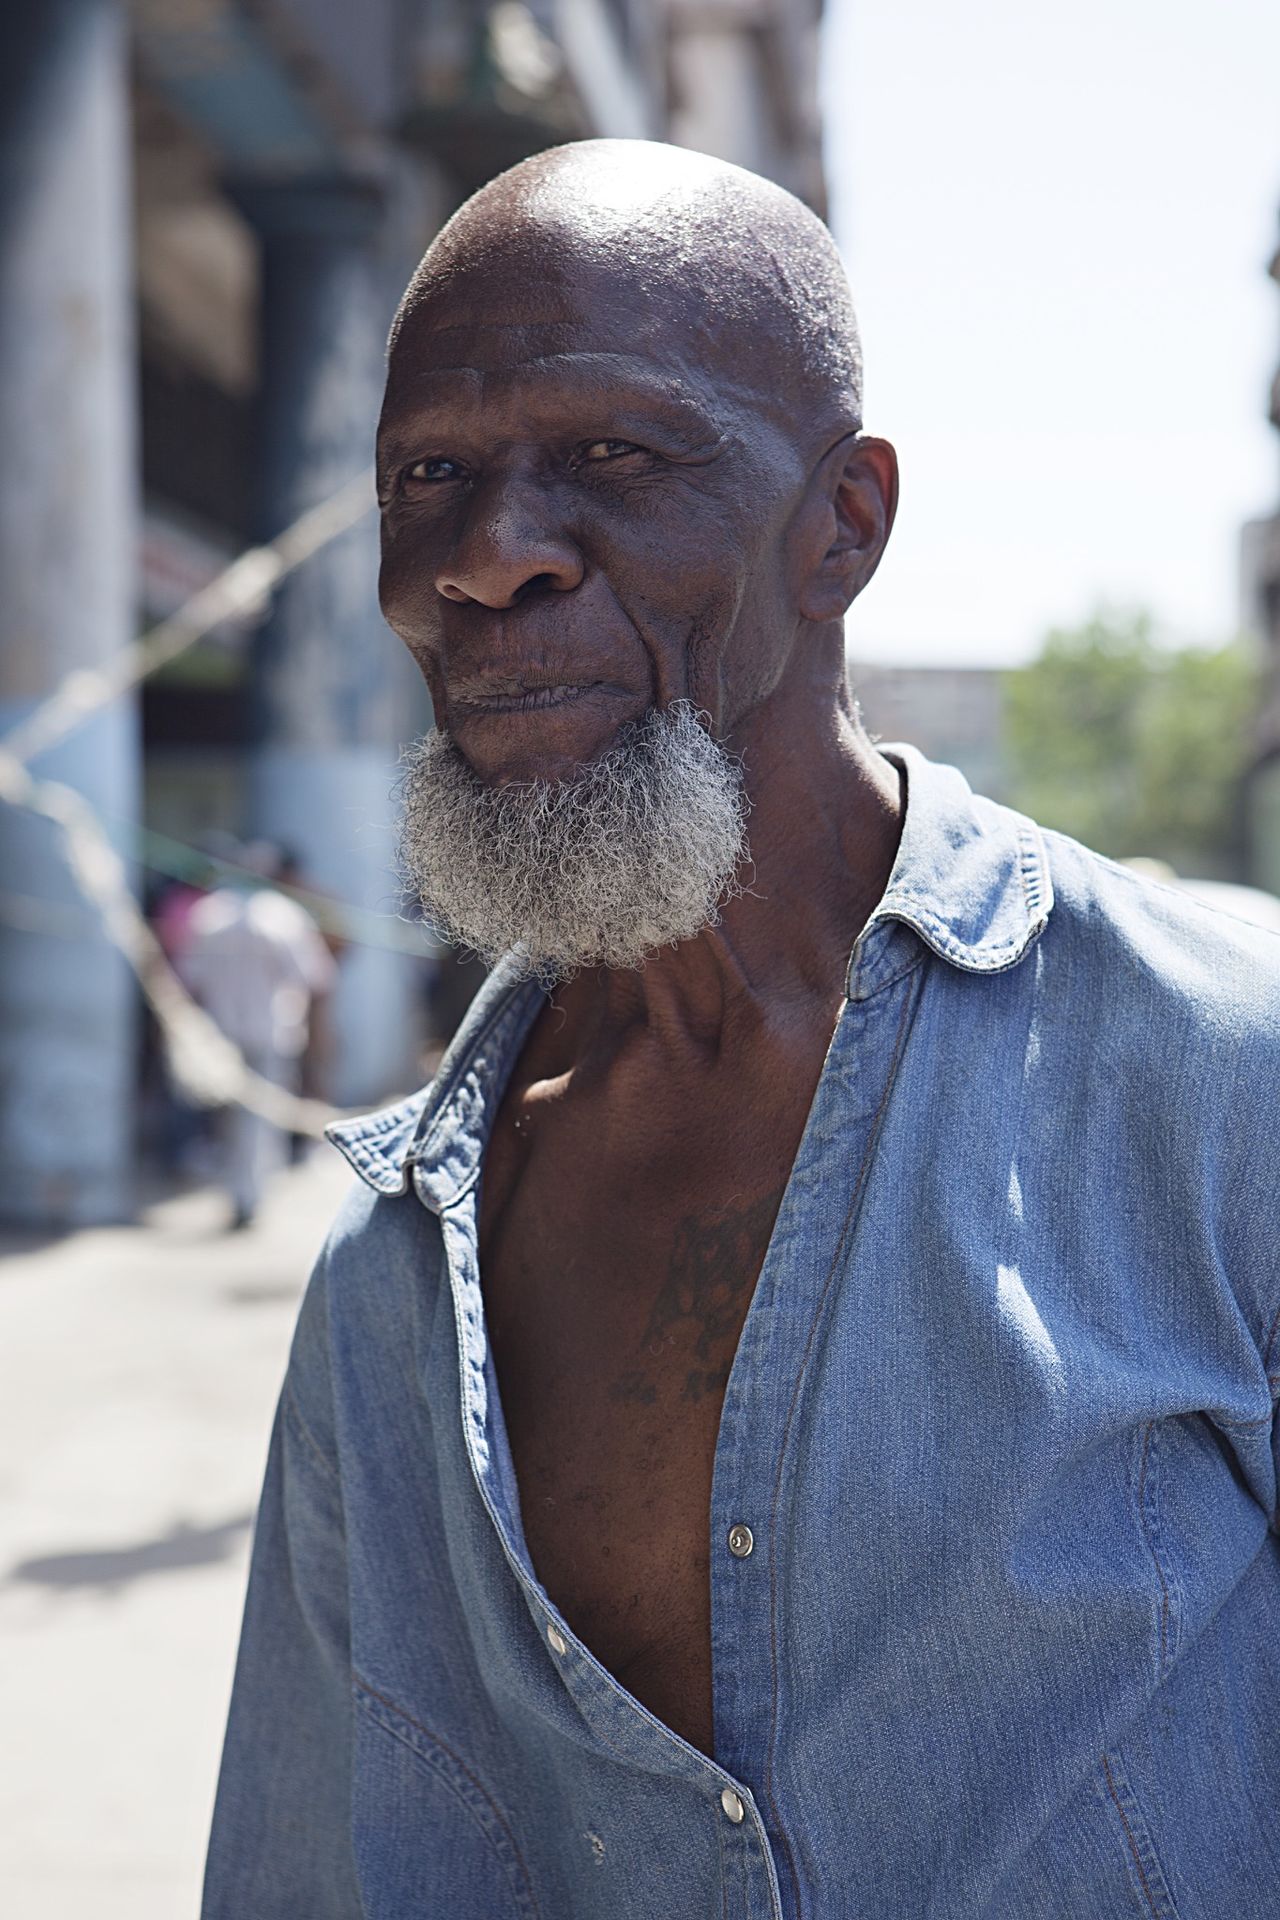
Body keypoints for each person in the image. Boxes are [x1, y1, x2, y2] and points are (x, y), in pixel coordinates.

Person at [203, 142, 1280, 1918]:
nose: (490, 559)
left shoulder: (1219, 1081)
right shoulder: (395, 1280)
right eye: (432, 477)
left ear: (843, 525)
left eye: (613, 457)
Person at [182, 843, 337, 1228]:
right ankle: (249, 1196)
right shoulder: (283, 917)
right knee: (258, 1119)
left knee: (234, 1120)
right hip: (269, 1032)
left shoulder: (209, 914)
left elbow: (190, 980)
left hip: (224, 1034)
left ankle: (243, 1195)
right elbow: (317, 978)